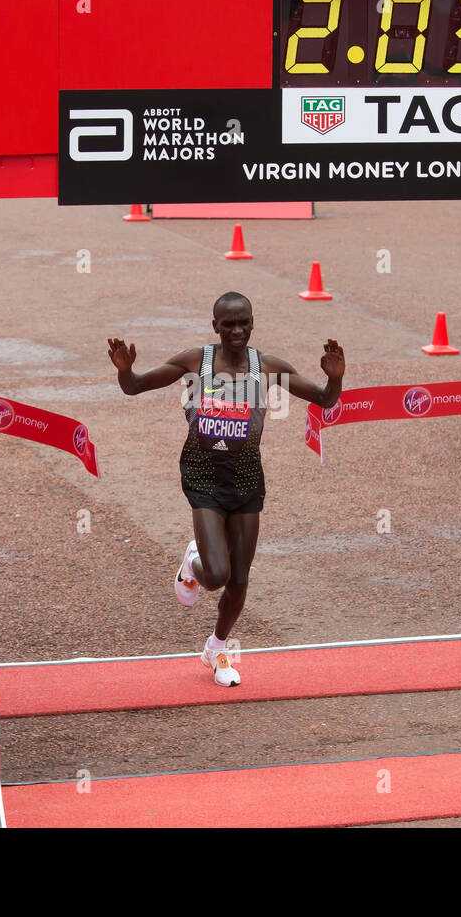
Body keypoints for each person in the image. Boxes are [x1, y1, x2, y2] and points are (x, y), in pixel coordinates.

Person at [108, 291, 344, 686]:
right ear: (214, 325)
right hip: (203, 476)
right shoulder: (194, 363)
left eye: (244, 323)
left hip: (247, 478)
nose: (237, 330)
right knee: (216, 574)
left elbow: (323, 400)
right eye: (229, 324)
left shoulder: (267, 367)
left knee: (239, 579)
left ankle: (217, 649)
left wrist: (334, 379)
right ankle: (194, 562)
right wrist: (124, 371)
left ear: (253, 322)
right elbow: (136, 386)